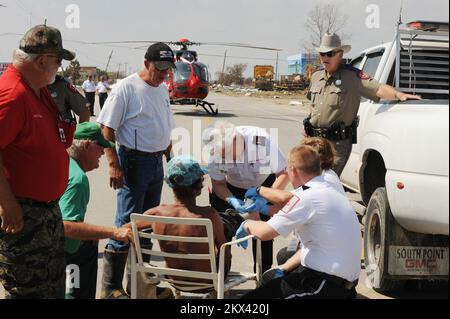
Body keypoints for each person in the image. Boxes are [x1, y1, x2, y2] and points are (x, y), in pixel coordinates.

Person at [0, 24, 75, 299]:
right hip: (24, 217)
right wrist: (7, 203)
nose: (59, 68)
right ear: (42, 60)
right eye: (58, 61)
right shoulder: (13, 94)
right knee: (27, 292)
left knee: (50, 290)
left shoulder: (37, 89)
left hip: (45, 214)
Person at [97, 42, 176, 299]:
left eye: (168, 68)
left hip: (155, 163)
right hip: (134, 162)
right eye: (159, 68)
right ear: (146, 63)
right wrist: (113, 164)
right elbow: (106, 130)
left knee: (147, 224)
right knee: (126, 223)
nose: (164, 73)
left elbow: (164, 125)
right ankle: (110, 287)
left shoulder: (163, 89)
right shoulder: (126, 88)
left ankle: (140, 285)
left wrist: (170, 157)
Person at [236, 145, 362, 299]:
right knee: (274, 279)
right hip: (340, 283)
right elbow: (290, 208)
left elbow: (265, 233)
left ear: (293, 170)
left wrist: (246, 224)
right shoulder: (326, 188)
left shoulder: (306, 196)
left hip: (323, 286)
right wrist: (264, 209)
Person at [304, 33, 421, 176]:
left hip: (335, 144)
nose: (325, 58)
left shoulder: (352, 77)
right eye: (322, 54)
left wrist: (398, 94)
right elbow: (314, 106)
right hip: (313, 141)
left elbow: (377, 88)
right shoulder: (316, 76)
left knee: (326, 181)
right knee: (307, 181)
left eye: (329, 54)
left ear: (340, 54)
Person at [126, 156, 243, 291]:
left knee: (223, 223)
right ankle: (233, 219)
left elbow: (124, 229)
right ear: (198, 187)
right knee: (226, 225)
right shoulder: (209, 215)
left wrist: (134, 241)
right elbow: (225, 253)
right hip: (208, 282)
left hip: (174, 280)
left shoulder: (157, 213)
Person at [205, 121, 289, 273]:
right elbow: (218, 184)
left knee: (264, 233)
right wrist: (231, 200)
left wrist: (265, 198)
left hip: (263, 185)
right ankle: (220, 274)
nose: (227, 159)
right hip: (230, 188)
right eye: (223, 156)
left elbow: (284, 173)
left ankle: (263, 275)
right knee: (220, 229)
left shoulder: (260, 140)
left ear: (237, 140)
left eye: (228, 153)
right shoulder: (216, 150)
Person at [60, 122, 132, 299]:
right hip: (66, 256)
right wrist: (113, 232)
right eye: (100, 148)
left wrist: (90, 235)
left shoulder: (62, 162)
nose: (102, 153)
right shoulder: (78, 180)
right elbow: (67, 227)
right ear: (86, 145)